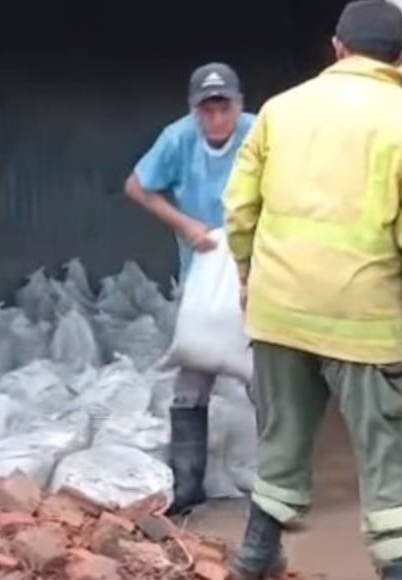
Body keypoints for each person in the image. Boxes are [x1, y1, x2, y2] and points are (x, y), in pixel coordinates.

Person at [222, 1, 402, 578]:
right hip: (364, 320)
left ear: (337, 47)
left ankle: (252, 560)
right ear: (401, 57)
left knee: (282, 439)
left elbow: (239, 207)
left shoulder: (279, 110)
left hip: (280, 312)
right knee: (390, 455)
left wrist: (249, 275)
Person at [124, 62, 256, 516]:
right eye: (207, 110)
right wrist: (184, 223)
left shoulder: (259, 134)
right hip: (202, 277)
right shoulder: (178, 138)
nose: (217, 119)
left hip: (256, 276)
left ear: (240, 105)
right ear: (194, 110)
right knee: (192, 376)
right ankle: (188, 485)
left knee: (267, 378)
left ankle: (276, 487)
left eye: (225, 108)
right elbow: (136, 186)